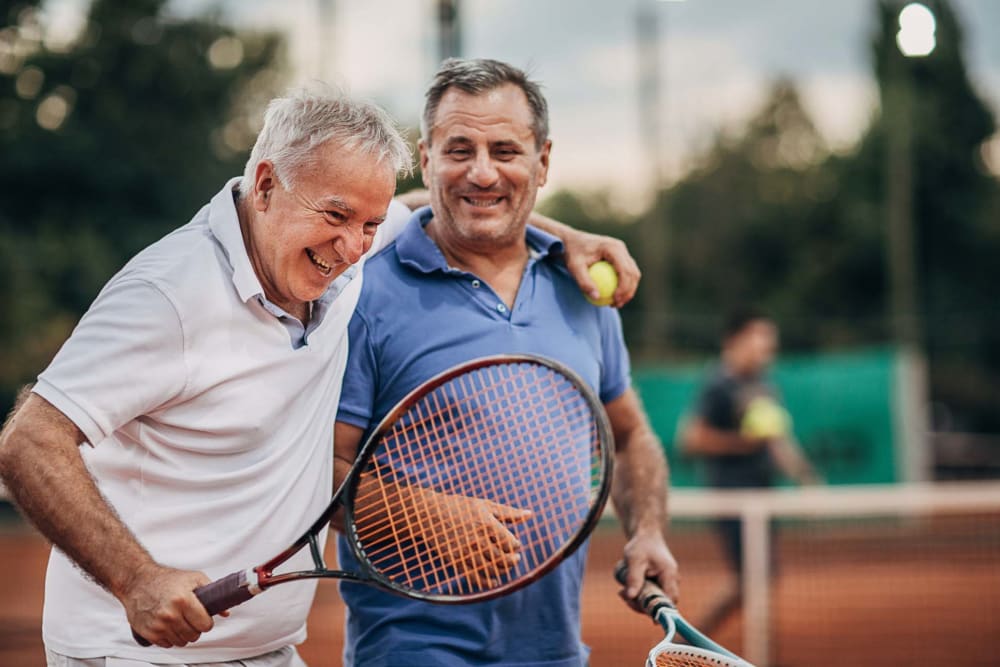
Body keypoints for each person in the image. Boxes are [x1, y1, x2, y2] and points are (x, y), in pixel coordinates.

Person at [0, 84, 641, 667]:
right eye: (335, 217)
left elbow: (440, 206)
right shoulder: (167, 295)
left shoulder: (339, 255)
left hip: (265, 648)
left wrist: (567, 236)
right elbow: (28, 441)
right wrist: (135, 578)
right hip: (136, 653)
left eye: (369, 224)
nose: (354, 246)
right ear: (267, 183)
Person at [333, 58, 678, 667]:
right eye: (459, 149)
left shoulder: (585, 291)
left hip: (553, 648)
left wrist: (646, 530)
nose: (483, 171)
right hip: (413, 648)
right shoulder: (363, 294)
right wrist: (424, 516)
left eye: (506, 150)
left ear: (543, 162)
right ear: (426, 159)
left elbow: (629, 436)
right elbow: (318, 471)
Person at [680, 308, 818, 633]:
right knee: (753, 577)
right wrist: (743, 443)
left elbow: (777, 441)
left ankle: (743, 646)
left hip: (763, 493)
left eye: (770, 341)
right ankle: (690, 642)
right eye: (759, 339)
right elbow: (692, 439)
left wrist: (804, 478)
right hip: (732, 495)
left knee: (760, 577)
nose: (767, 348)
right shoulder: (717, 383)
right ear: (735, 340)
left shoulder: (763, 384)